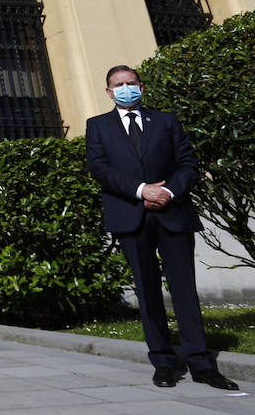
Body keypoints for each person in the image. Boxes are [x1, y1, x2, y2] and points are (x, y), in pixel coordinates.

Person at [85, 66, 238, 390]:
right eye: (119, 85)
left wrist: (168, 191)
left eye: (131, 83)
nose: (126, 89)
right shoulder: (98, 126)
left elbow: (188, 163)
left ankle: (201, 363)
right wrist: (143, 190)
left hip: (173, 212)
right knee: (148, 290)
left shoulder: (166, 120)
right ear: (109, 92)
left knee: (184, 290)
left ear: (141, 87)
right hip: (132, 215)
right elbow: (99, 169)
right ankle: (164, 363)